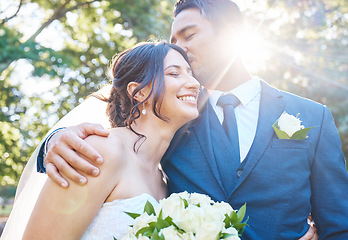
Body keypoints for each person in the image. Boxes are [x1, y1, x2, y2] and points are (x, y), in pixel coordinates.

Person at [25, 0, 348, 239]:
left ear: (232, 36)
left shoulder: (312, 117)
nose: (178, 48)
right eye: (173, 42)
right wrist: (54, 142)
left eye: (188, 35)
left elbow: (339, 227)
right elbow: (115, 121)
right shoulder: (172, 117)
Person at [20, 41, 200, 239]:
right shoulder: (101, 151)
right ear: (139, 92)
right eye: (174, 73)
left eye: (190, 73)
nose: (194, 83)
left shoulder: (163, 180)